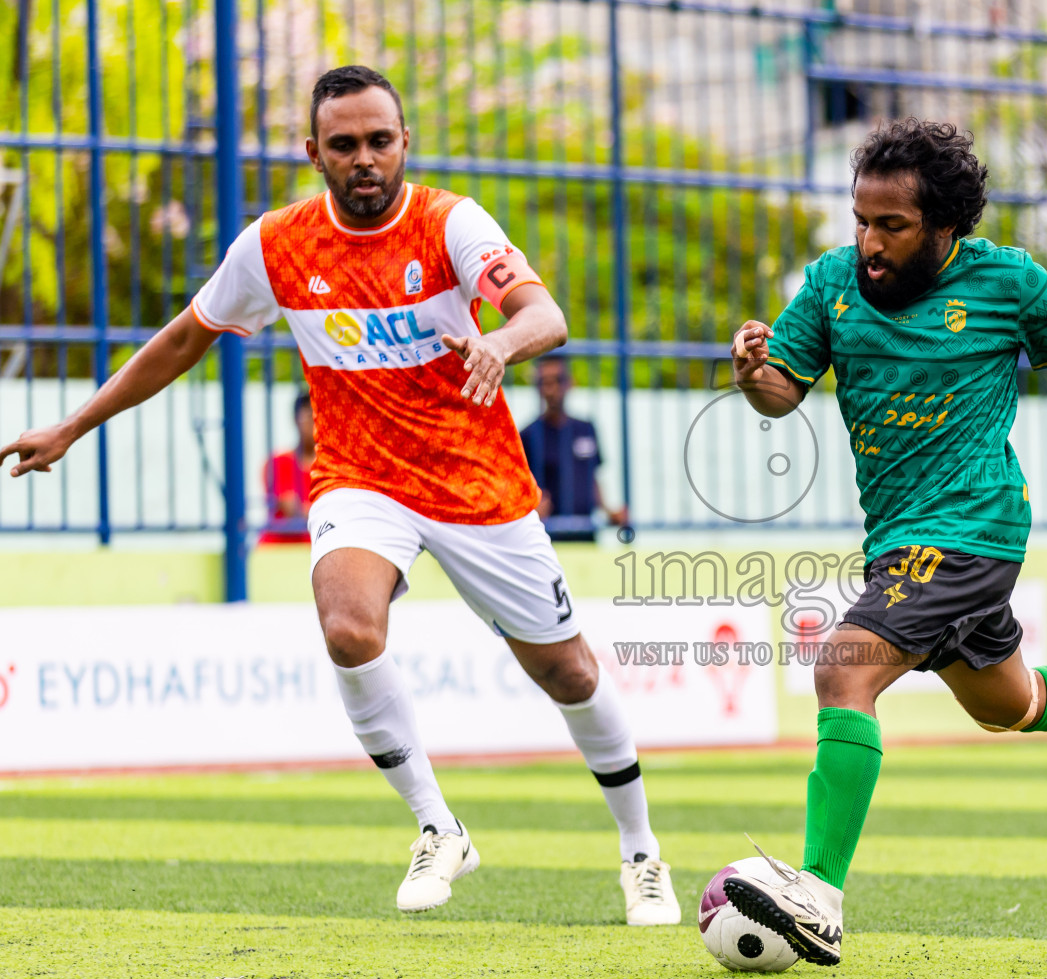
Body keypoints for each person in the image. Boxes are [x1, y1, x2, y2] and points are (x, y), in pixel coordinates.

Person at [0, 65, 680, 926]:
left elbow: (546, 314)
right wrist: (71, 425)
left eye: (380, 141)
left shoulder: (451, 222)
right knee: (348, 626)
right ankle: (439, 827)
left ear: (405, 144)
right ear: (314, 151)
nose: (366, 159)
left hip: (477, 482)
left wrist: (503, 343)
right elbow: (181, 340)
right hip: (361, 478)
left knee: (566, 669)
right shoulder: (276, 245)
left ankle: (639, 849)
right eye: (346, 144)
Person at [720, 119, 1047, 967]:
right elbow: (783, 391)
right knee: (1009, 703)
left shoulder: (1009, 284)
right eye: (860, 220)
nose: (869, 243)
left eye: (893, 226)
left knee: (842, 668)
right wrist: (752, 376)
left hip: (975, 524)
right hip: (899, 539)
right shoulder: (831, 286)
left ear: (946, 225)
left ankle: (818, 890)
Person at [520, 355, 628, 541]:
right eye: (544, 382)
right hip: (548, 536)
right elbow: (519, 486)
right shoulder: (529, 435)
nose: (552, 389)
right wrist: (531, 509)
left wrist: (609, 511)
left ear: (570, 383)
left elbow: (591, 476)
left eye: (557, 381)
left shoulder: (586, 428)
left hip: (587, 532)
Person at [261, 391, 316, 544]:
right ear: (295, 419)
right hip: (278, 552)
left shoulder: (334, 467)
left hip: (317, 553)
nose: (312, 420)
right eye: (307, 414)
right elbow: (292, 509)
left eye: (317, 414)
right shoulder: (278, 463)